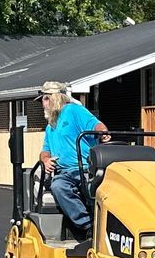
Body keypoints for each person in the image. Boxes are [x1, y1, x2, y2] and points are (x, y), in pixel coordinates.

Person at [38, 81, 105, 239]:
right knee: (58, 186)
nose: (43, 103)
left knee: (95, 187)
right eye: (43, 99)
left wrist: (103, 132)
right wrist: (46, 160)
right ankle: (87, 226)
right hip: (64, 173)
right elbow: (45, 150)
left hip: (86, 168)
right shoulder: (50, 126)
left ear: (56, 98)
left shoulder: (74, 111)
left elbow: (95, 124)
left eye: (46, 99)